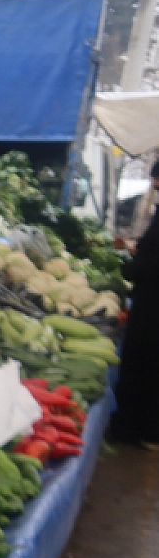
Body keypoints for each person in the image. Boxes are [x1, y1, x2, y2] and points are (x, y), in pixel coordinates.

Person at [113, 161, 159, 447]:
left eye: (156, 180)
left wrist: (131, 265)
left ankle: (141, 429)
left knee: (146, 363)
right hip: (151, 297)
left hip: (153, 303)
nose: (154, 186)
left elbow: (150, 261)